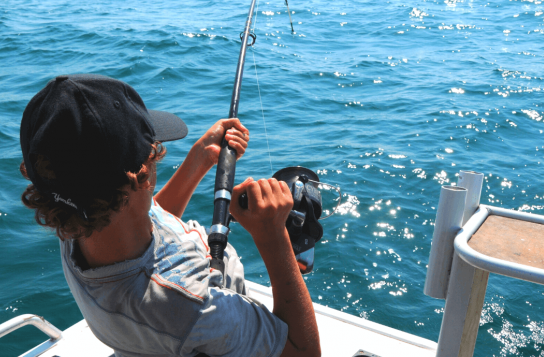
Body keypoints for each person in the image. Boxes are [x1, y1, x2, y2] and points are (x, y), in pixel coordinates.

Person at [19, 74, 320, 357]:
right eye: (151, 151)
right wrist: (272, 237)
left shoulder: (75, 219)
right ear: (138, 177)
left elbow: (142, 224)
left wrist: (200, 158)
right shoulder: (191, 306)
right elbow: (303, 351)